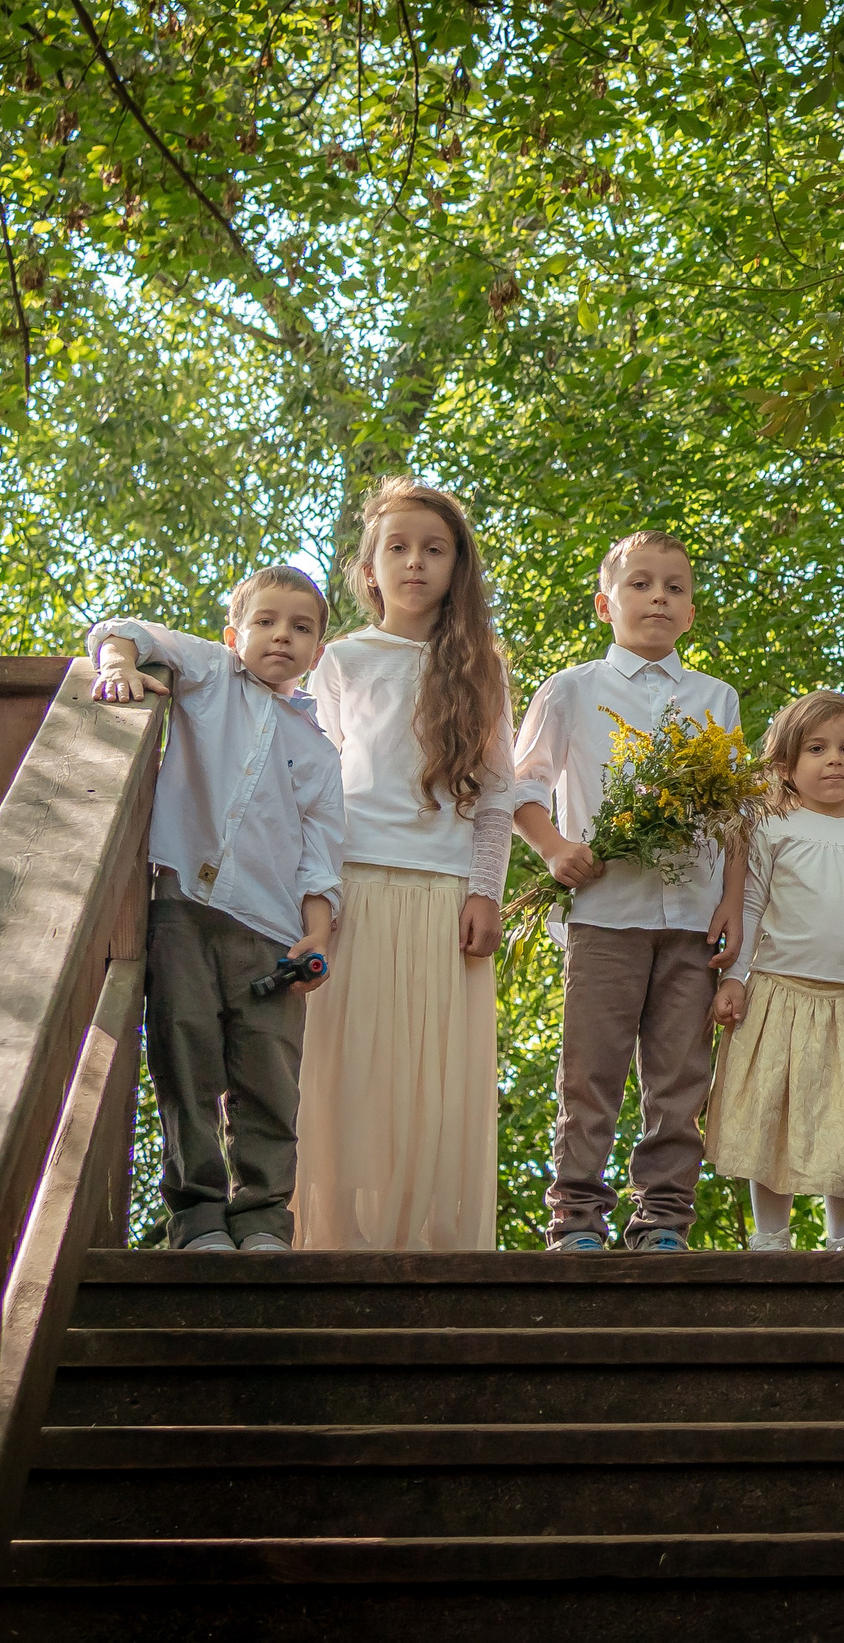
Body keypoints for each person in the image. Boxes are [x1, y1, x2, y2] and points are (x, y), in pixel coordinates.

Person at [87, 568, 345, 1253]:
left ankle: (262, 1217)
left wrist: (317, 930)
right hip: (185, 911)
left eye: (300, 627)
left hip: (272, 931)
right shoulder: (208, 675)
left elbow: (320, 853)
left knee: (268, 1077)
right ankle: (198, 1217)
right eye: (265, 622)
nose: (281, 637)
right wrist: (118, 663)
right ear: (236, 635)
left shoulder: (319, 751)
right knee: (184, 1056)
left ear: (318, 650)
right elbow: (127, 629)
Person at [293, 479, 516, 1251]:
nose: (415, 562)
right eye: (398, 547)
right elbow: (313, 790)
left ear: (458, 567)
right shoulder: (341, 661)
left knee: (433, 1085)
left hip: (444, 894)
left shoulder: (482, 667)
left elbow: (494, 796)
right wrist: (313, 896)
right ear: (368, 569)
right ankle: (339, 1242)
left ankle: (431, 1248)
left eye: (434, 548)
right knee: (348, 1071)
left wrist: (486, 889)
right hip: (352, 889)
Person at [515, 529, 746, 1253]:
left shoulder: (716, 698)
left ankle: (665, 1218)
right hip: (604, 916)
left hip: (690, 923)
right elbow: (520, 789)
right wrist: (556, 849)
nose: (658, 597)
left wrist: (733, 904)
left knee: (681, 1078)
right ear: (604, 603)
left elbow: (738, 816)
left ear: (692, 610)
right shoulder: (573, 689)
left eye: (675, 587)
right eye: (641, 584)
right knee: (591, 1074)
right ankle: (577, 1217)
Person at [705, 691, 844, 1251]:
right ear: (786, 766)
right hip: (780, 996)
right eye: (817, 749)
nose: (835, 760)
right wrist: (734, 979)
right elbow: (749, 907)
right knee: (770, 1114)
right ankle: (770, 1237)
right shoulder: (773, 829)